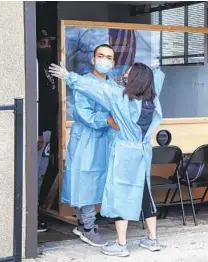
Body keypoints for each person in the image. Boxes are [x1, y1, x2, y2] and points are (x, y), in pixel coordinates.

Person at [49, 61, 165, 257]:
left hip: (125, 154)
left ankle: (121, 245)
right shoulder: (153, 100)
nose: (125, 74)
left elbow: (96, 88)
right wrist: (156, 68)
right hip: (143, 151)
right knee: (145, 194)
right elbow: (157, 80)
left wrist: (69, 76)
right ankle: (152, 240)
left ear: (135, 78)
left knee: (120, 194)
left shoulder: (120, 97)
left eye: (128, 72)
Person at [63, 44, 120, 247]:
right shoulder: (84, 83)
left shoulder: (115, 86)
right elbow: (83, 114)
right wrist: (107, 120)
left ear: (113, 63)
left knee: (101, 180)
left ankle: (84, 223)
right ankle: (87, 227)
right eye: (101, 56)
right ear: (93, 59)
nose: (105, 60)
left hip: (107, 140)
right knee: (85, 179)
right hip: (87, 139)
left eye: (109, 57)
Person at [37, 28, 57, 233]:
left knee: (43, 172)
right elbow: (35, 103)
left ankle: (36, 213)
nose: (47, 47)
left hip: (50, 129)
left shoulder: (46, 67)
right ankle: (31, 217)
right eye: (43, 44)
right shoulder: (34, 67)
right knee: (36, 173)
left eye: (49, 44)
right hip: (40, 132)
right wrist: (38, 131)